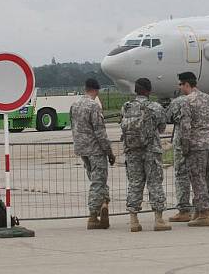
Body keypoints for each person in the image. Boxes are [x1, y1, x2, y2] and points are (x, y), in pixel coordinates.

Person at [120, 78, 171, 232]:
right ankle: (158, 219)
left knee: (135, 183)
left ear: (136, 90)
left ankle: (134, 220)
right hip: (151, 151)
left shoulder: (126, 107)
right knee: (154, 183)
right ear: (148, 91)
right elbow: (162, 128)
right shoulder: (155, 107)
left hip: (132, 151)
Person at [70, 78, 115, 230]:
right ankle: (93, 215)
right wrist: (109, 152)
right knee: (98, 182)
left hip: (82, 149)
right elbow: (100, 132)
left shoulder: (75, 105)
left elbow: (73, 127)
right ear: (96, 90)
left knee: (97, 179)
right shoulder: (93, 106)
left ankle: (104, 203)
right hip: (95, 149)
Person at [177, 72, 209, 226]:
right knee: (207, 178)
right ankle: (202, 210)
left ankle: (203, 214)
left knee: (197, 178)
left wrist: (185, 148)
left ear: (187, 85)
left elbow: (185, 127)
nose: (180, 87)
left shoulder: (187, 101)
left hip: (197, 146)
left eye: (181, 84)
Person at [165, 95, 193, 222]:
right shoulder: (205, 99)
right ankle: (206, 209)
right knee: (201, 175)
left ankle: (184, 210)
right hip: (199, 141)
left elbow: (168, 118)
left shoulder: (178, 101)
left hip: (181, 142)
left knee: (181, 175)